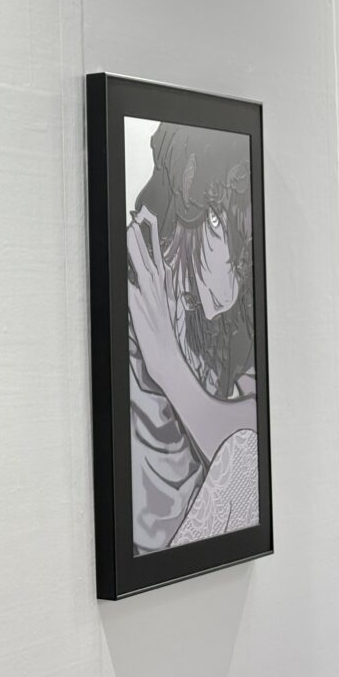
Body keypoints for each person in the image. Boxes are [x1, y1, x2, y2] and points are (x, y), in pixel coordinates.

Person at [126, 122, 258, 555]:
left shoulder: (236, 317)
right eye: (217, 221)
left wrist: (169, 367)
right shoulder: (140, 295)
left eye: (242, 247)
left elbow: (252, 440)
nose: (232, 280)